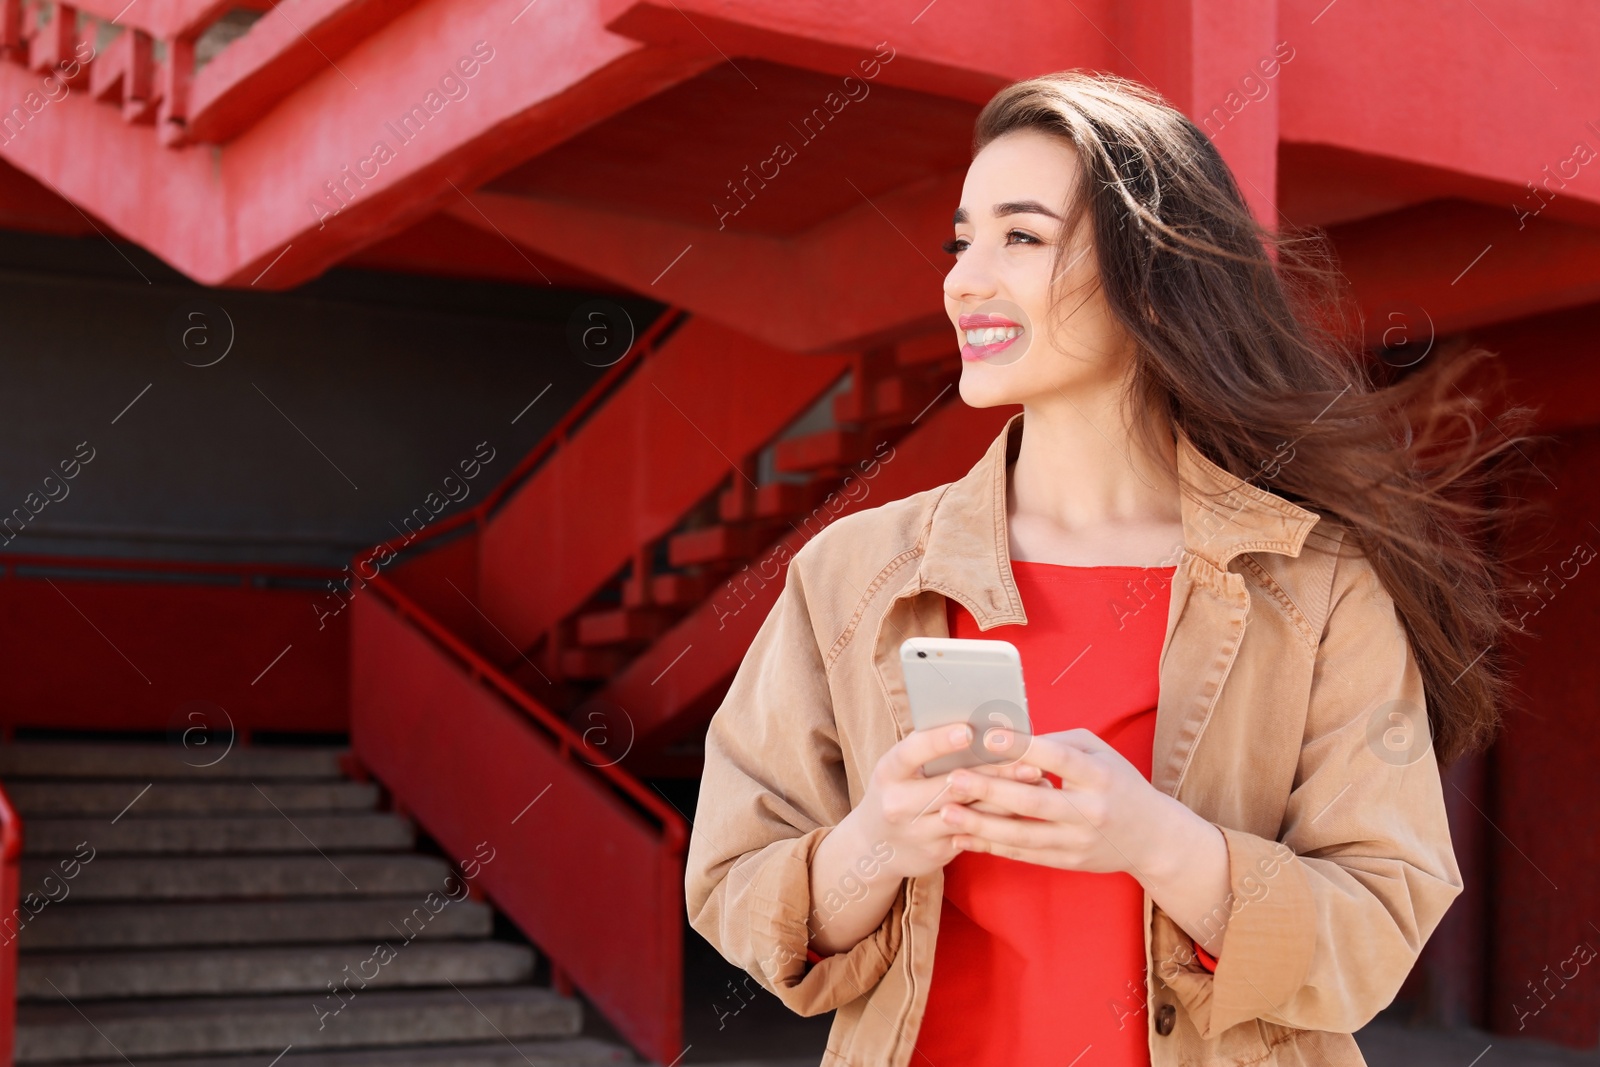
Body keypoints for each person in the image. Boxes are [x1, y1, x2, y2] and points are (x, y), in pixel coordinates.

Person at [685, 69, 1541, 1067]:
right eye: (961, 240)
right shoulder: (850, 571)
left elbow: (1381, 917)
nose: (962, 278)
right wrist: (878, 837)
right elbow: (732, 885)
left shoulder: (1318, 580)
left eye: (1019, 235)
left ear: (1153, 268)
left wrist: (1155, 840)